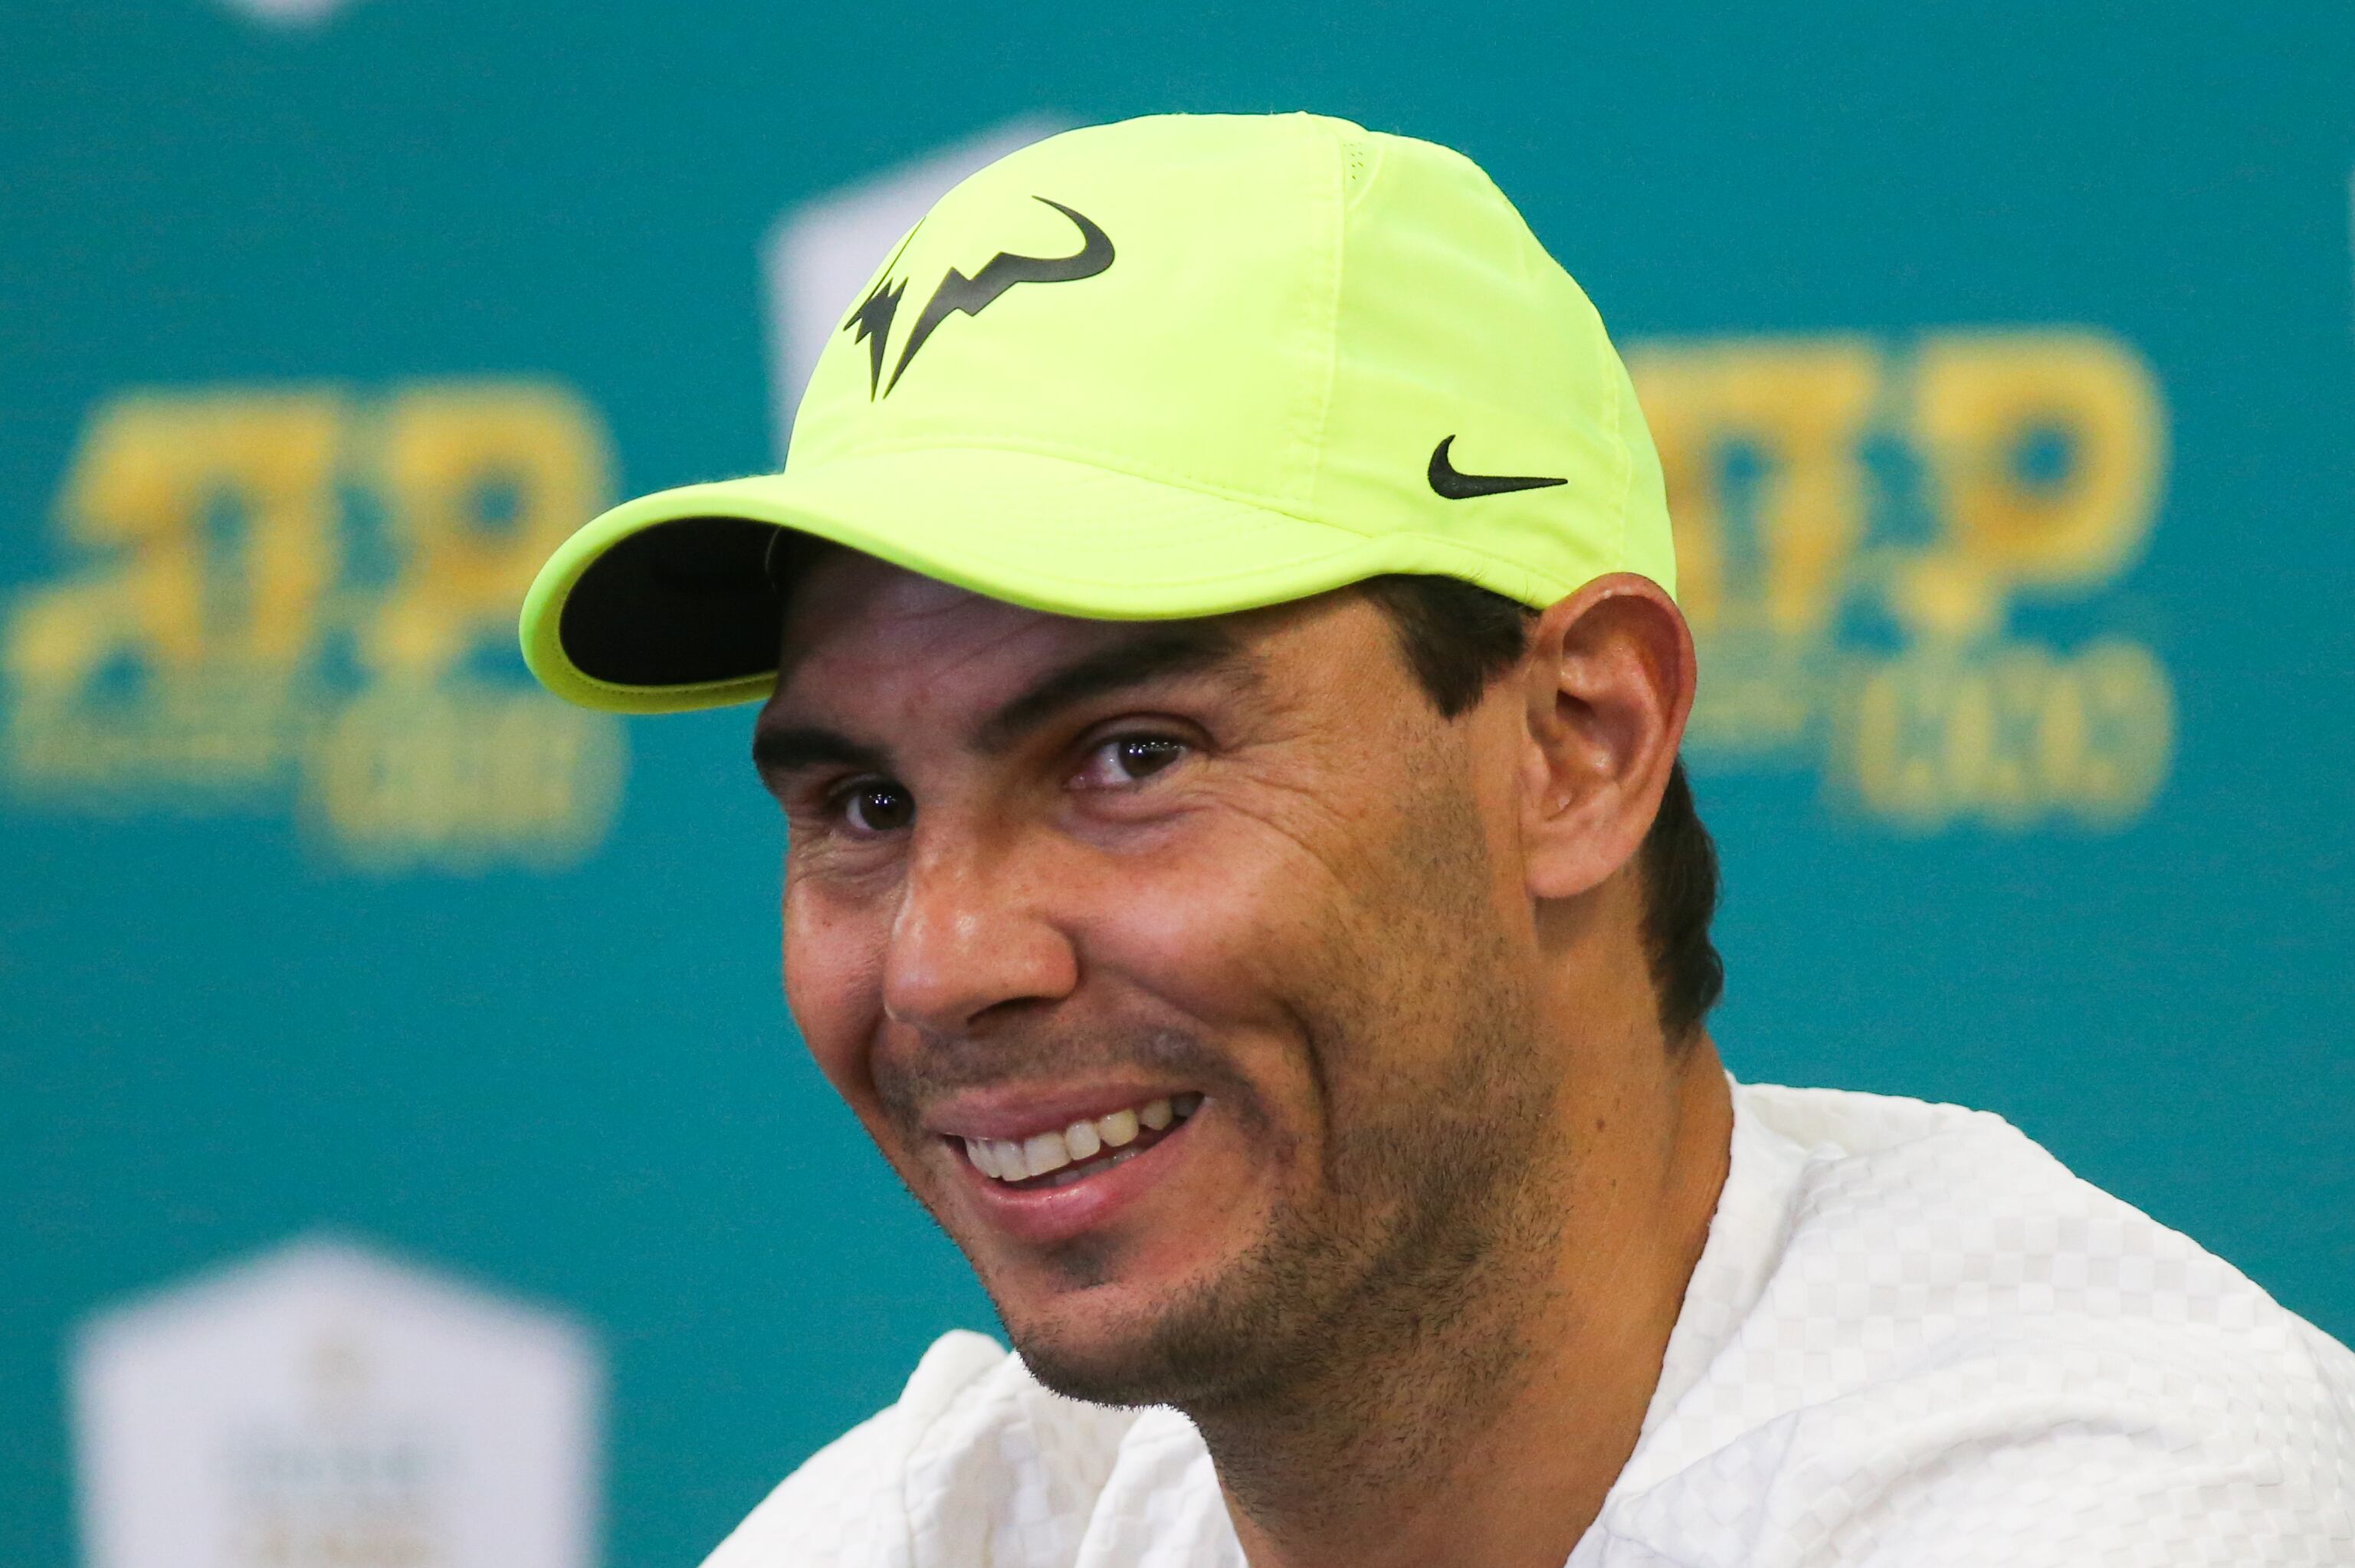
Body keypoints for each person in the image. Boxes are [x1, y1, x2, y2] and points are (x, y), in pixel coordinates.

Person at [518, 112, 2354, 1567]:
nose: (944, 959)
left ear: (1579, 743)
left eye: (1132, 755)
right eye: (862, 808)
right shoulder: (983, 1516)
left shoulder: (2116, 1501)